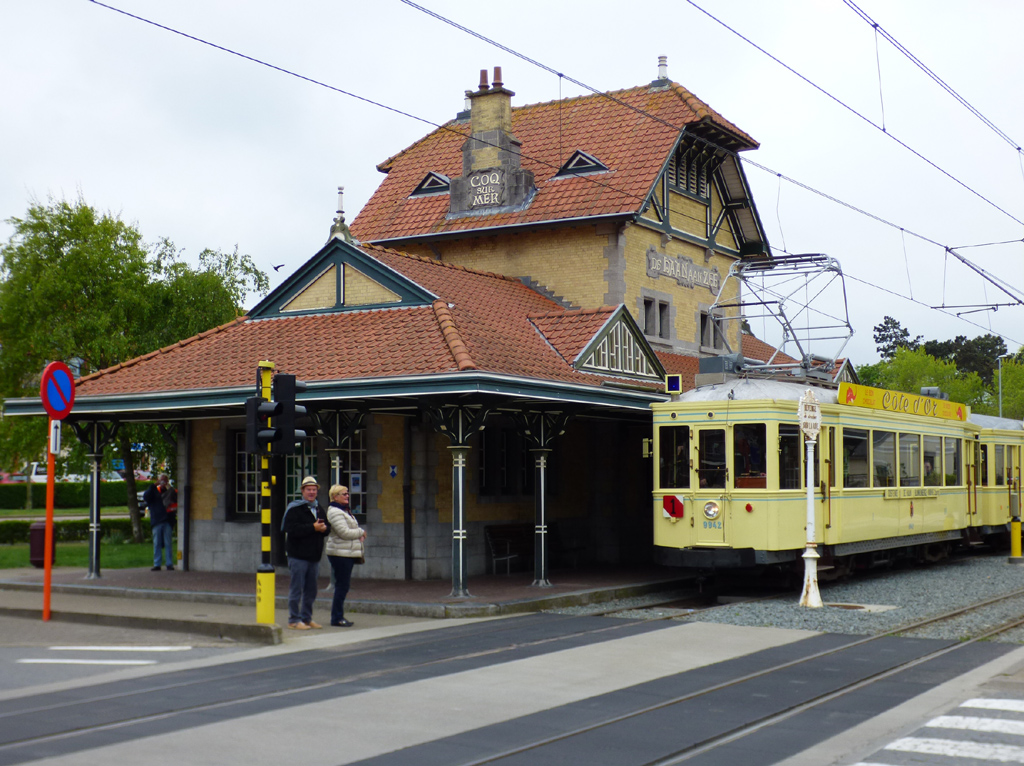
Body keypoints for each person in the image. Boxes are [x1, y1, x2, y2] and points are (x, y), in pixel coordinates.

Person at [282, 476, 331, 630]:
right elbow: (291, 529)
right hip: (298, 555)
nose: (311, 492)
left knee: (311, 589)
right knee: (296, 588)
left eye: (314, 490)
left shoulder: (318, 508)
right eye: (308, 489)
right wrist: (313, 528)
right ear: (302, 491)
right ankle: (293, 620)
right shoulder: (294, 508)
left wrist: (324, 529)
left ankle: (307, 618)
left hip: (314, 556)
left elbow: (327, 527)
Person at [325, 484, 366, 628]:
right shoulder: (335, 512)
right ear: (335, 496)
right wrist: (361, 532)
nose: (347, 496)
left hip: (345, 553)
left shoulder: (344, 510)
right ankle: (336, 617)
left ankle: (338, 615)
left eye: (347, 493)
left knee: (343, 585)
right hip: (339, 553)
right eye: (344, 494)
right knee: (342, 585)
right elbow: (344, 532)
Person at [143, 474, 174, 571]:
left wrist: (169, 487)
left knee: (168, 543)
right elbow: (146, 497)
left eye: (165, 480)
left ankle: (169, 563)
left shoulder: (169, 491)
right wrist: (153, 485)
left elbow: (176, 497)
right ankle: (157, 564)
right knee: (157, 543)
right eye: (161, 480)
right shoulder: (153, 491)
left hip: (167, 521)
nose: (163, 482)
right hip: (157, 520)